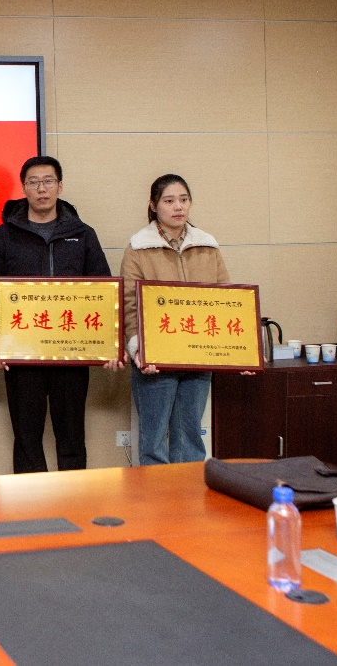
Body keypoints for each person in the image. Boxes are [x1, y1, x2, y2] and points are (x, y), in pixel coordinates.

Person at [0, 156, 114, 474]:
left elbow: (103, 290)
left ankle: (73, 498)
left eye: (48, 181)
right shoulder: (3, 236)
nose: (42, 188)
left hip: (72, 353)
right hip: (21, 354)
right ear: (24, 188)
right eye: (34, 182)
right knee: (27, 438)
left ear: (60, 186)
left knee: (72, 436)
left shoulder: (83, 234)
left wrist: (109, 344)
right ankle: (30, 501)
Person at [121, 174, 231, 465]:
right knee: (154, 441)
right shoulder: (138, 248)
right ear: (153, 205)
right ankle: (155, 496)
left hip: (198, 357)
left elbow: (227, 301)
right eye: (169, 201)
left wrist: (240, 351)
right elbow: (129, 304)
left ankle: (190, 493)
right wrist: (138, 348)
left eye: (183, 199)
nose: (178, 207)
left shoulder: (207, 246)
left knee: (190, 438)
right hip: (155, 360)